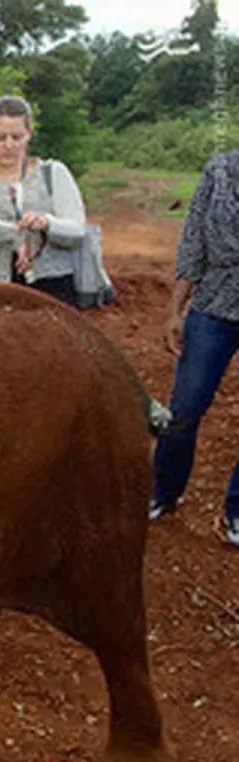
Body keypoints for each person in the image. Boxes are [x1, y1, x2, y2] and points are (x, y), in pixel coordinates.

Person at [150, 148, 239, 547]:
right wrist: (175, 310)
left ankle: (237, 511)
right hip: (214, 307)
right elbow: (193, 242)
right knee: (185, 407)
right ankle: (163, 490)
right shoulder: (219, 170)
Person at [0, 95, 87, 304]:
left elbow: (77, 229)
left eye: (17, 137)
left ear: (29, 133)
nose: (8, 145)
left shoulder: (54, 173)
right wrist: (14, 234)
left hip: (50, 288)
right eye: (0, 137)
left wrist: (47, 223)